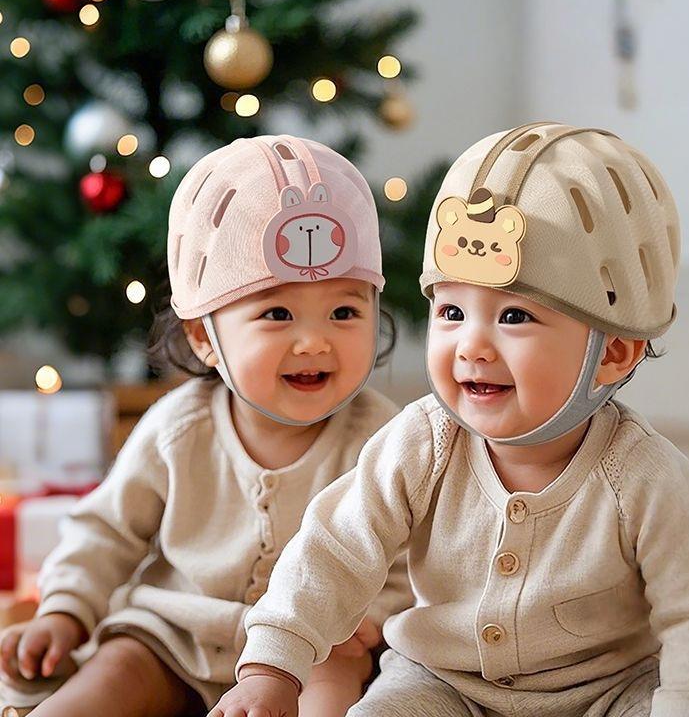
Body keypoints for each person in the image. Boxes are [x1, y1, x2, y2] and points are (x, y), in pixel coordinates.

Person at [209, 123, 689, 717]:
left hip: (606, 693)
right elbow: (333, 552)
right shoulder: (423, 443)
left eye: (514, 317)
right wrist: (272, 667)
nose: (471, 345)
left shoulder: (648, 478)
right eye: (451, 312)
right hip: (442, 683)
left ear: (613, 353)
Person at [0, 135, 411, 717]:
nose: (314, 341)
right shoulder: (180, 426)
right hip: (174, 634)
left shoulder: (384, 439)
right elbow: (106, 531)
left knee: (337, 680)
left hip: (315, 644)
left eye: (344, 311)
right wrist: (64, 611)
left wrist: (375, 616)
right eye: (276, 313)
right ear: (203, 336)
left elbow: (413, 558)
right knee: (114, 669)